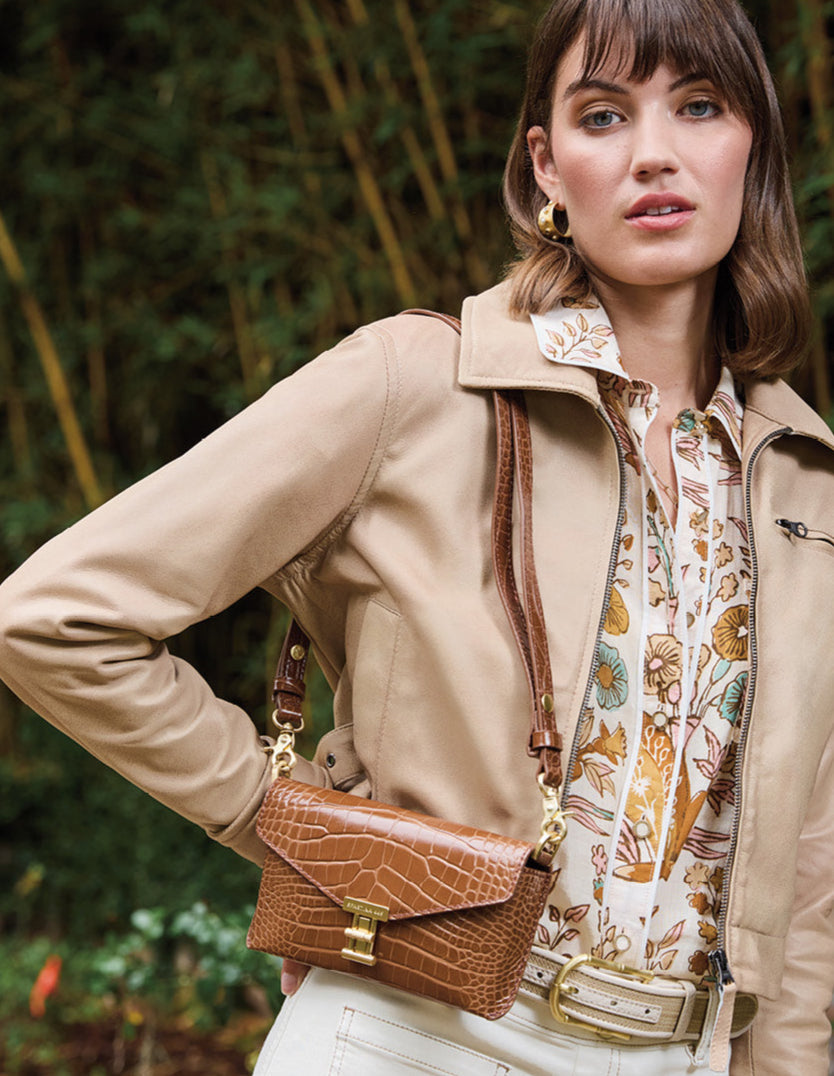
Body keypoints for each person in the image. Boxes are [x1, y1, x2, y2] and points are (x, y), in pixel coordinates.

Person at [0, 0, 832, 1072]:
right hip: (403, 1035)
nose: (654, 153)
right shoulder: (418, 385)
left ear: (754, 144)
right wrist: (304, 842)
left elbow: (807, 874)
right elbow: (53, 619)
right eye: (603, 115)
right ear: (546, 165)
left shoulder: (802, 480)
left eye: (700, 105)